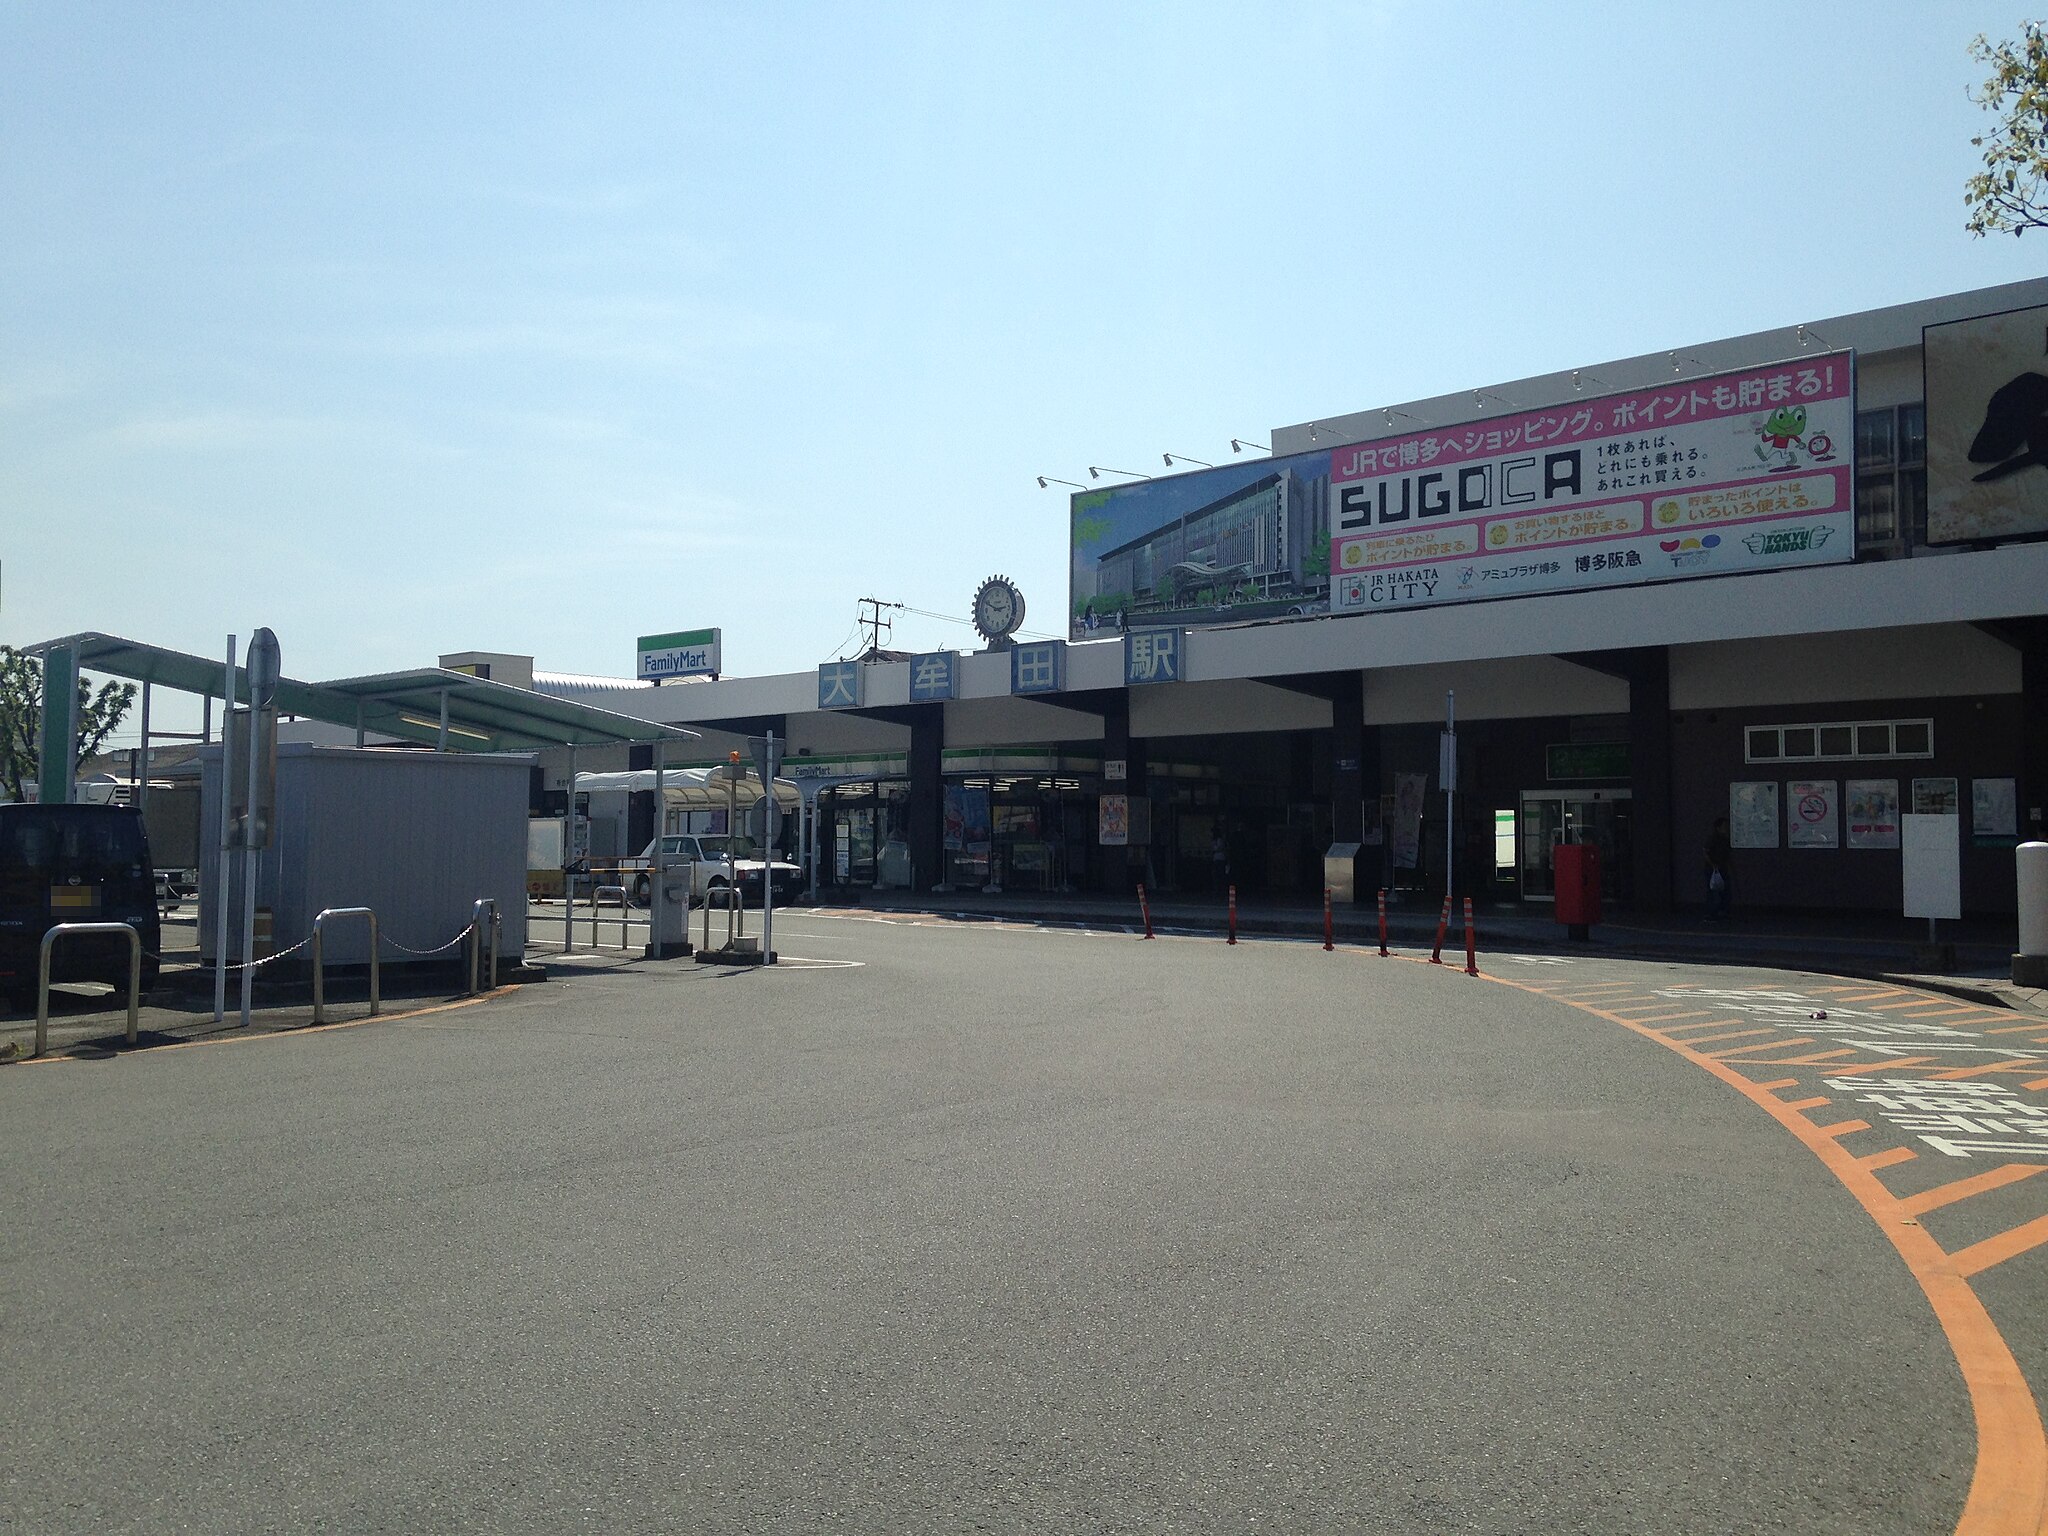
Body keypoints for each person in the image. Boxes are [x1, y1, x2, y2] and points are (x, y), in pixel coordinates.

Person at [1704, 816, 1731, 919]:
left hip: (1723, 867)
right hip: (1713, 869)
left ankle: (1722, 911)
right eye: (1724, 826)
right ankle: (1711, 913)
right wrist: (1712, 864)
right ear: (1718, 828)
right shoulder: (1712, 839)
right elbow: (1705, 852)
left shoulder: (1725, 839)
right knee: (1713, 890)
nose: (1726, 828)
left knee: (1725, 890)